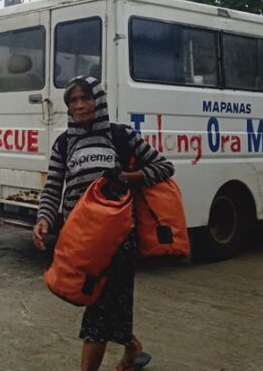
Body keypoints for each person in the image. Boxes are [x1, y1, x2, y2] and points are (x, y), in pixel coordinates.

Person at [32, 76, 174, 371]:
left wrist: (130, 177)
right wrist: (44, 218)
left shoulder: (120, 136)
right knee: (107, 300)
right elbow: (54, 186)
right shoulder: (63, 143)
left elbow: (164, 166)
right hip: (80, 241)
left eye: (86, 98)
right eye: (73, 100)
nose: (80, 105)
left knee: (98, 310)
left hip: (118, 240)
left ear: (98, 100)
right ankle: (132, 348)